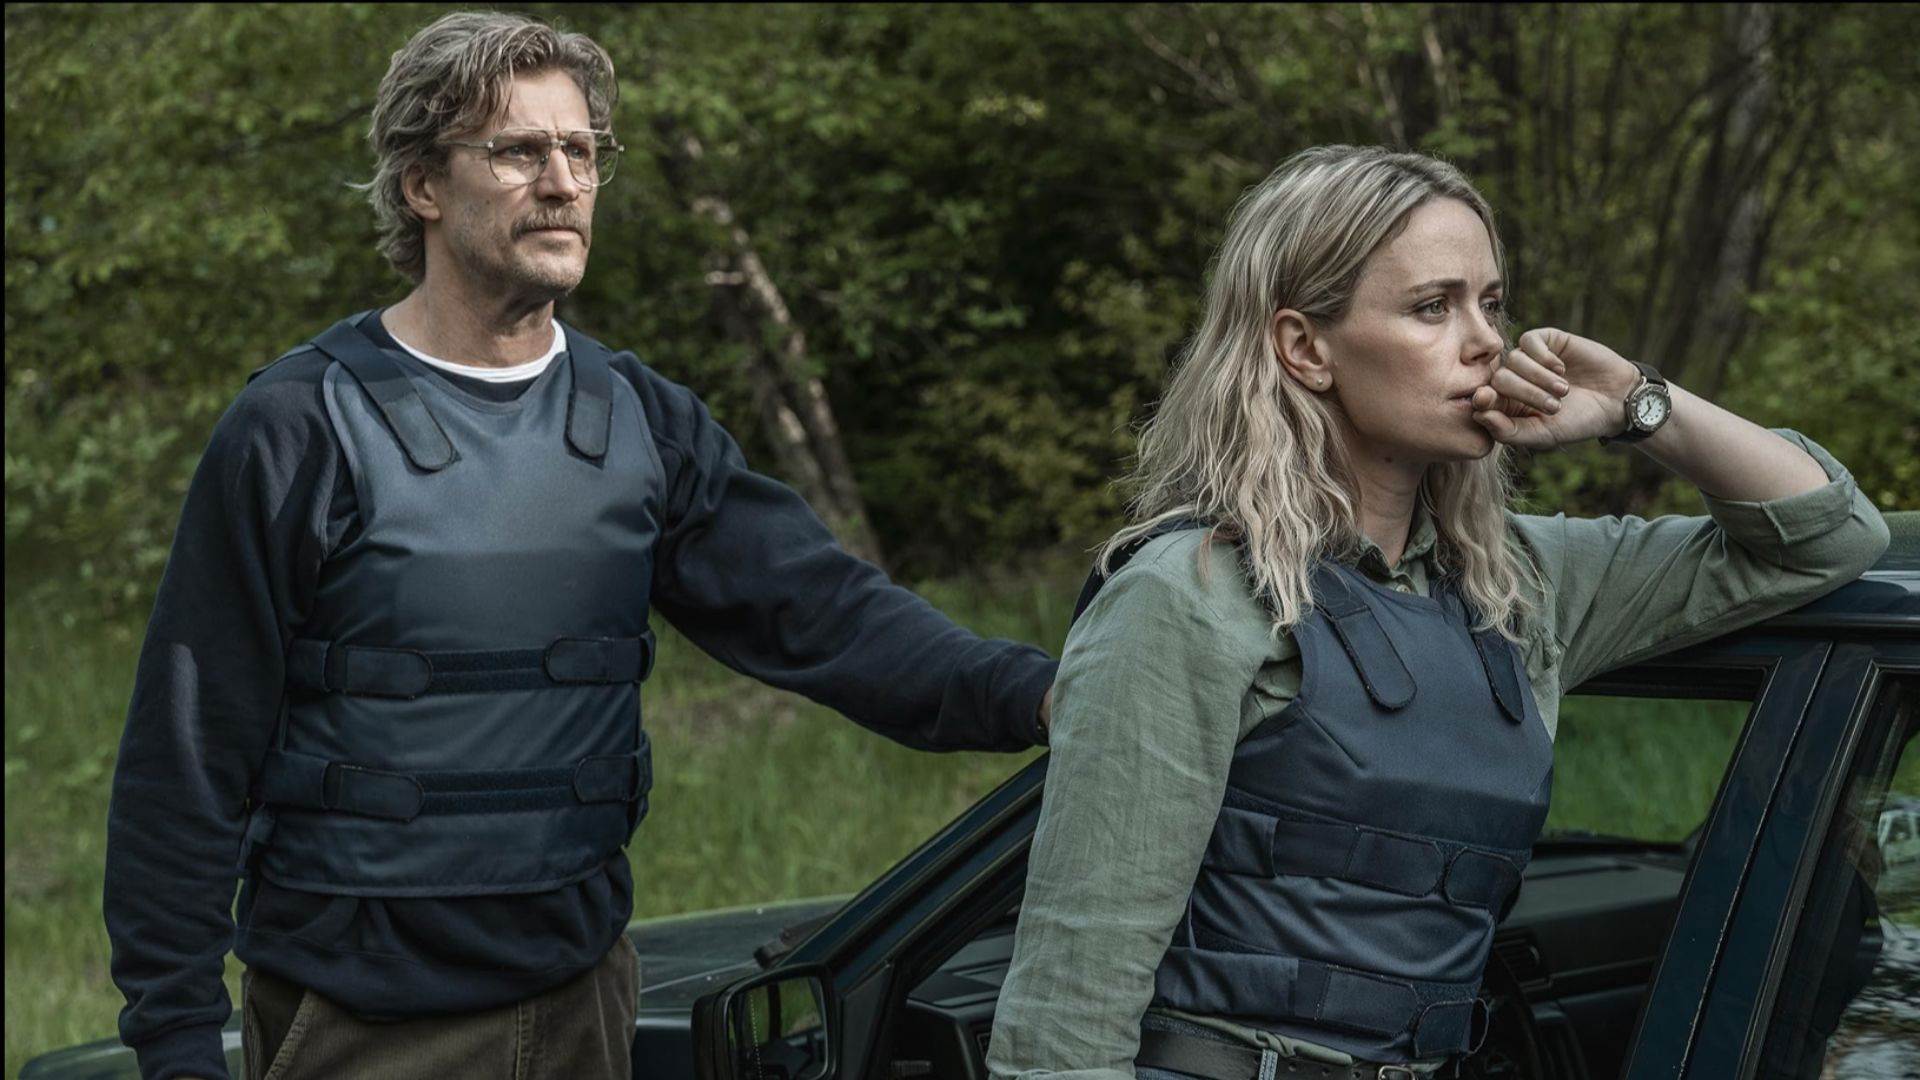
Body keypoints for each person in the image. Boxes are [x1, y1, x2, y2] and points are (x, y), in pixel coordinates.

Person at [102, 12, 1056, 1080]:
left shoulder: (642, 419)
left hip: (587, 1004)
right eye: (518, 151)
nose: (563, 182)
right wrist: (177, 1040)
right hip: (366, 1024)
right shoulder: (301, 425)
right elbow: (187, 752)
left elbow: (823, 614)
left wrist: (1043, 695)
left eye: (582, 150)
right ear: (422, 184)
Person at [984, 145, 1890, 1080]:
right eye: (1432, 307)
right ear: (1304, 348)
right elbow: (1070, 1004)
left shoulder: (1516, 581)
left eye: (1491, 303)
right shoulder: (1191, 594)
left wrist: (1633, 401)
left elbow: (1827, 536)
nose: (1487, 341)